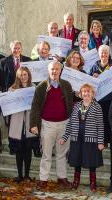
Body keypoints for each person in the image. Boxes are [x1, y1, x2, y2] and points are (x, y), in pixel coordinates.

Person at [30, 61, 73, 190]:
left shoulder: (66, 85)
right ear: (48, 71)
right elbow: (35, 107)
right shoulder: (42, 86)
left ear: (61, 71)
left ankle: (62, 178)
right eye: (52, 69)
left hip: (64, 124)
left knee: (61, 153)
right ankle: (43, 179)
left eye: (57, 69)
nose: (54, 71)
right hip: (47, 124)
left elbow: (70, 103)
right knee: (47, 154)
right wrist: (33, 124)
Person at [60, 84, 104, 192]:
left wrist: (100, 142)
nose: (86, 93)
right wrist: (65, 137)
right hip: (77, 138)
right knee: (77, 161)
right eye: (84, 91)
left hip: (91, 139)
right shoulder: (76, 106)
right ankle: (76, 181)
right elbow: (70, 123)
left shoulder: (97, 106)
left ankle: (93, 183)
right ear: (80, 94)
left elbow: (100, 125)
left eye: (88, 91)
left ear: (93, 94)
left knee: (91, 162)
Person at [8, 67, 37, 183]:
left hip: (30, 123)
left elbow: (38, 105)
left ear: (29, 75)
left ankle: (27, 175)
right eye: (21, 75)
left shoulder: (34, 88)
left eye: (25, 74)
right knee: (19, 151)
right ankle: (19, 175)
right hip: (17, 123)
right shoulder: (12, 89)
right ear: (18, 77)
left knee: (28, 150)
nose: (23, 77)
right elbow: (8, 107)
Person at [89, 45, 112, 145]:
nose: (104, 54)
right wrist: (93, 77)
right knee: (99, 120)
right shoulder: (94, 67)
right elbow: (89, 83)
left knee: (109, 119)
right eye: (102, 52)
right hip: (97, 99)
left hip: (110, 99)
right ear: (99, 54)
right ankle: (101, 141)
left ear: (109, 54)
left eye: (106, 52)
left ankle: (108, 140)